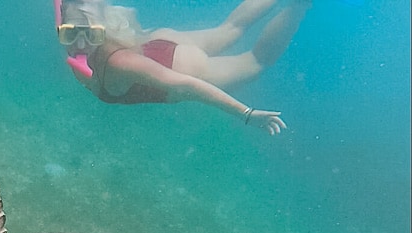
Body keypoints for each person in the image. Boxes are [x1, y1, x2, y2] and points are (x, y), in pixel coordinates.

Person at [54, 0, 312, 135]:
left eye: (91, 35)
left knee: (256, 61)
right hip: (158, 45)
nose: (80, 44)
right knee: (229, 29)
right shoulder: (69, 13)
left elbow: (185, 84)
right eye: (70, 33)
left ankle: (300, 4)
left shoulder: (119, 62)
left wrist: (246, 113)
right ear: (61, 26)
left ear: (103, 31)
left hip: (183, 67)